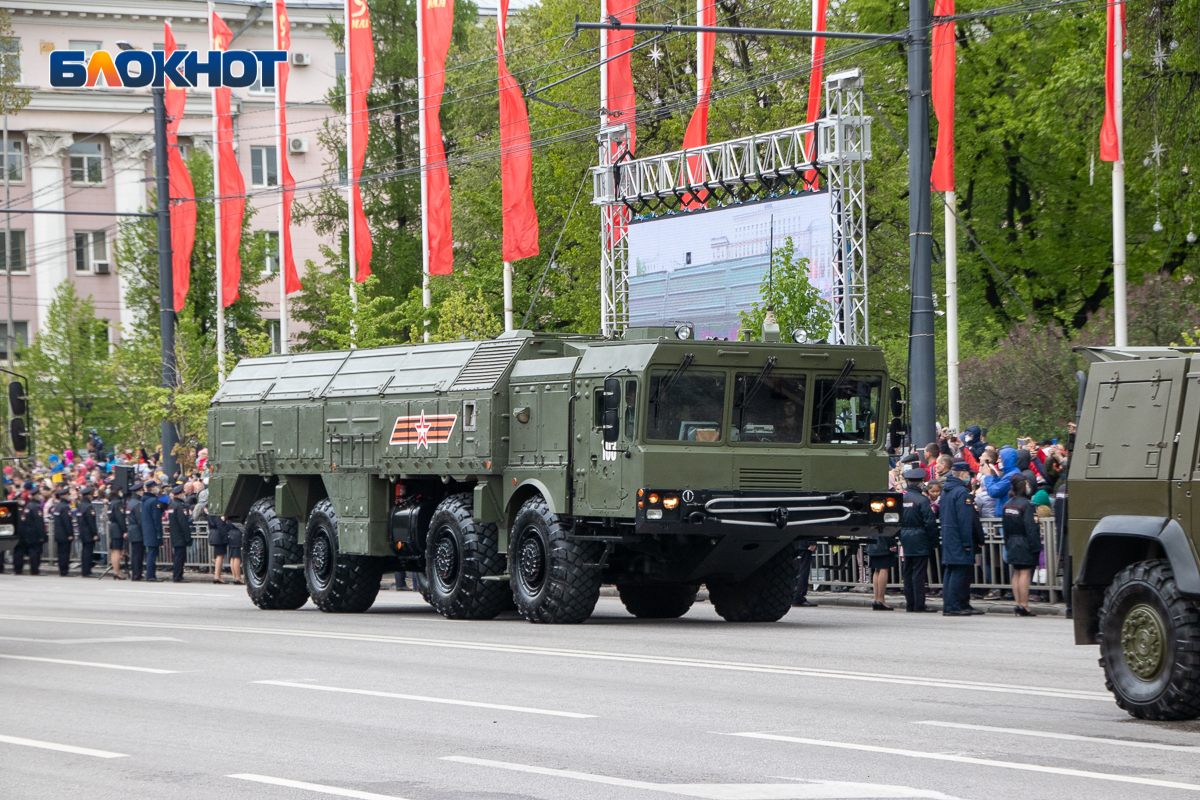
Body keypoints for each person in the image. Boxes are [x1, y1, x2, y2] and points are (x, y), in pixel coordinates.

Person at [940, 462, 982, 616]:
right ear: (963, 474)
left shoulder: (946, 491)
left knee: (951, 571)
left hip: (949, 536)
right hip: (959, 538)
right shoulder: (962, 493)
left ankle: (955, 604)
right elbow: (964, 520)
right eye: (968, 474)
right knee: (958, 572)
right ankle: (953, 606)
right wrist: (966, 542)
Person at [1001, 476, 1043, 616]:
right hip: (1024, 542)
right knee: (1025, 572)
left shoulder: (1007, 504)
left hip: (1012, 541)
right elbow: (1031, 529)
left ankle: (1018, 604)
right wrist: (1036, 546)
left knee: (1016, 573)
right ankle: (1025, 605)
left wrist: (1007, 543)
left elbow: (1005, 528)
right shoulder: (1027, 505)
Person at [899, 467, 939, 612]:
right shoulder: (922, 500)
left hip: (905, 537)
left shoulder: (901, 499)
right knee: (918, 573)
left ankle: (910, 603)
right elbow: (930, 523)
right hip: (920, 538)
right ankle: (919, 604)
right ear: (921, 483)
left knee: (908, 572)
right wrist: (934, 542)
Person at [14, 487, 46, 575]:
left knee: (32, 552)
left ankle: (33, 569)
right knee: (35, 553)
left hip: (29, 533)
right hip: (35, 533)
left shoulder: (28, 506)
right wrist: (42, 535)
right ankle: (35, 570)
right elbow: (39, 522)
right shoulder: (35, 507)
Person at [866, 523, 898, 611]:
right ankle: (881, 599)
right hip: (883, 544)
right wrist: (892, 543)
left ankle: (876, 599)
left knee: (876, 570)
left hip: (872, 542)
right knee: (884, 569)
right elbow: (887, 530)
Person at [167, 484, 192, 583]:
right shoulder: (180, 506)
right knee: (180, 556)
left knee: (177, 556)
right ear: (180, 494)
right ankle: (178, 576)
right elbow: (183, 522)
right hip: (180, 535)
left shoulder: (172, 504)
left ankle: (177, 575)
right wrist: (187, 536)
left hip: (174, 533)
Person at [141, 480, 163, 581]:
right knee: (152, 554)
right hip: (153, 531)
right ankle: (151, 575)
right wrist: (159, 532)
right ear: (152, 488)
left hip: (147, 530)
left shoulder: (145, 500)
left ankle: (150, 574)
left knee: (151, 552)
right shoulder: (154, 501)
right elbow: (156, 519)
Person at [76, 485, 98, 578]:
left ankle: (85, 570)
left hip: (82, 531)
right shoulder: (88, 507)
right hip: (89, 532)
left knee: (84, 551)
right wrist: (95, 533)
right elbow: (91, 522)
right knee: (88, 552)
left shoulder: (80, 506)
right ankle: (87, 571)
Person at [52, 487, 73, 576]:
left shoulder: (58, 506)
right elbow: (67, 522)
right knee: (65, 553)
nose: (69, 496)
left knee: (61, 553)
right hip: (64, 534)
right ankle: (64, 571)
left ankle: (62, 570)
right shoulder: (64, 507)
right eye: (68, 494)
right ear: (65, 495)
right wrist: (70, 534)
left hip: (58, 533)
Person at [107, 485, 127, 579]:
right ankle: (116, 572)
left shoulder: (111, 503)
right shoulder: (118, 503)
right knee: (116, 550)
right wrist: (124, 530)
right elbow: (120, 518)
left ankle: (116, 571)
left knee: (115, 550)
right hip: (117, 528)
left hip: (113, 526)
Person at [126, 482, 145, 581]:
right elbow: (140, 519)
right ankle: (137, 574)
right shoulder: (137, 504)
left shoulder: (130, 502)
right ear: (139, 491)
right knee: (138, 554)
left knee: (134, 554)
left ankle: (135, 573)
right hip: (137, 531)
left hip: (132, 529)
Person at [792, 539, 818, 607]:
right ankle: (799, 597)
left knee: (798, 571)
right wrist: (812, 542)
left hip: (796, 544)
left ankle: (795, 596)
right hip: (804, 545)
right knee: (803, 572)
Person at [227, 519, 243, 585]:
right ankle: (238, 577)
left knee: (232, 557)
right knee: (237, 556)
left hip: (231, 534)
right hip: (237, 534)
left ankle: (234, 577)